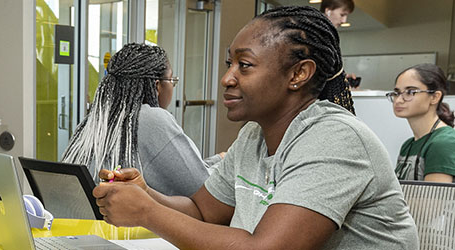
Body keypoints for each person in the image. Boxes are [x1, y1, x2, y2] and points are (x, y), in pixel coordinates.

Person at [93, 6, 418, 249]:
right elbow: (203, 212)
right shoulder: (254, 134)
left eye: (244, 65)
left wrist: (148, 213)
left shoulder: (335, 138)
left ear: (298, 74)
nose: (227, 78)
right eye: (229, 64)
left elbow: (265, 249)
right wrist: (146, 194)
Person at [61, 43, 210, 197]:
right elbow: (203, 189)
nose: (173, 86)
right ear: (157, 86)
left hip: (77, 219)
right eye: (172, 81)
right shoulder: (153, 121)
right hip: (121, 221)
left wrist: (216, 160)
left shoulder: (94, 121)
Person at [390, 63, 455, 183]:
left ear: (435, 97)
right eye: (397, 92)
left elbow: (434, 200)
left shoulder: (443, 143)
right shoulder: (408, 145)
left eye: (410, 92)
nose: (398, 100)